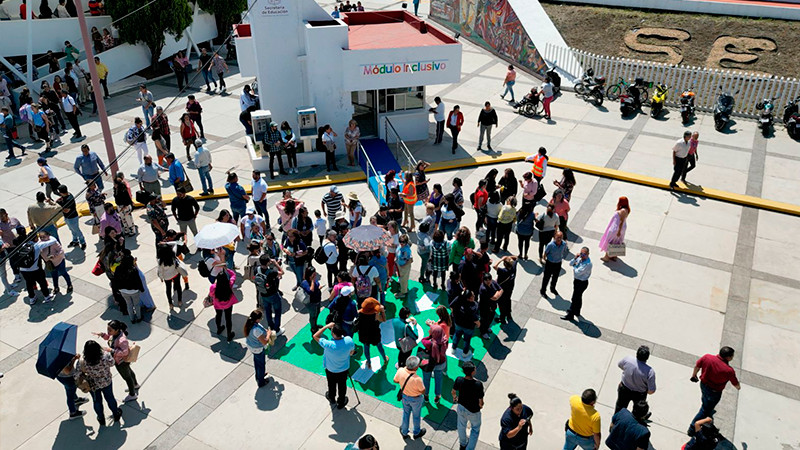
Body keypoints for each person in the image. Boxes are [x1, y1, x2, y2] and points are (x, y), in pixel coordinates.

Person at [689, 347, 741, 431]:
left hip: (703, 385)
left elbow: (697, 366)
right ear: (728, 357)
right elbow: (735, 383)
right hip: (714, 392)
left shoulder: (707, 357)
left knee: (705, 400)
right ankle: (692, 428)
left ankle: (708, 413)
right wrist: (738, 387)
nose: (732, 357)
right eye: (732, 356)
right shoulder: (729, 370)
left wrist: (694, 375)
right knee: (704, 410)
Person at [76, 340, 122, 426]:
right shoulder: (105, 356)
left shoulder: (83, 361)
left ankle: (101, 418)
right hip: (106, 382)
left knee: (97, 401)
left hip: (93, 385)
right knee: (110, 398)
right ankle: (116, 414)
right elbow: (112, 363)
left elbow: (77, 374)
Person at [94, 320, 140, 403]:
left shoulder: (122, 340)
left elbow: (125, 352)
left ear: (117, 330)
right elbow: (109, 338)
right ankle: (135, 385)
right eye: (107, 329)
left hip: (121, 362)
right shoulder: (115, 335)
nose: (108, 331)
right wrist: (102, 335)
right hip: (120, 360)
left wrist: (111, 350)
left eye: (110, 330)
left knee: (127, 377)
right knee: (129, 372)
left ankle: (132, 394)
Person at [314, 322, 356, 409]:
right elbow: (351, 353)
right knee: (342, 386)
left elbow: (315, 336)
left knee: (331, 385)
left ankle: (331, 397)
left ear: (333, 334)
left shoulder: (328, 344)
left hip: (331, 369)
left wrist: (326, 326)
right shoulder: (349, 340)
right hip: (343, 369)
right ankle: (341, 401)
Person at [614, 345, 656, 414]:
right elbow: (651, 391)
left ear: (636, 354)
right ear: (647, 358)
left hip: (624, 389)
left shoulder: (628, 359)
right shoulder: (650, 372)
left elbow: (620, 365)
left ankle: (616, 420)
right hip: (639, 395)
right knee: (638, 413)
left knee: (619, 409)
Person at [451, 361, 484, 450]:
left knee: (461, 426)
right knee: (475, 429)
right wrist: (481, 406)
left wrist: (455, 398)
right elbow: (481, 401)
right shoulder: (478, 384)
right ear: (473, 371)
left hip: (461, 407)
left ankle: (463, 444)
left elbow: (453, 392)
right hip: (473, 411)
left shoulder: (459, 380)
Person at [394, 355, 427, 439]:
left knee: (406, 414)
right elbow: (423, 391)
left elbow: (395, 380)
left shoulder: (400, 370)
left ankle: (404, 432)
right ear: (416, 367)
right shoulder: (417, 379)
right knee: (416, 416)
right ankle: (416, 432)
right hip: (416, 399)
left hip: (405, 396)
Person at [562, 246, 593, 321]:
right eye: (581, 253)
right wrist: (575, 258)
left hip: (581, 283)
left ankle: (570, 314)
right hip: (577, 281)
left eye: (584, 254)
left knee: (575, 298)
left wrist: (575, 265)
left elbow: (577, 272)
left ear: (588, 254)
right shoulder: (579, 258)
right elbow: (570, 263)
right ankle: (577, 311)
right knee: (578, 298)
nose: (582, 255)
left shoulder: (588, 264)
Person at [244, 309, 274, 387]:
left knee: (257, 362)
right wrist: (268, 334)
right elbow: (264, 341)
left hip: (252, 347)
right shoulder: (256, 330)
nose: (261, 320)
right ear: (257, 319)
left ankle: (258, 375)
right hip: (258, 349)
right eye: (261, 318)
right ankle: (261, 381)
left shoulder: (250, 324)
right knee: (261, 365)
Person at [356, 297, 388, 368]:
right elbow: (384, 320)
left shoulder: (359, 313)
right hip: (374, 334)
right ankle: (385, 359)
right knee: (379, 346)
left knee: (366, 347)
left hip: (364, 334)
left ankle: (369, 362)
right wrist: (382, 311)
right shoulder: (375, 315)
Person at [420, 323, 448, 404]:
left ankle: (426, 395)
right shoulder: (445, 341)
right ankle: (437, 396)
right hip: (441, 364)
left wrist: (430, 336)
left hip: (429, 364)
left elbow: (423, 340)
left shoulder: (429, 344)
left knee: (426, 379)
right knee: (438, 380)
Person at [38, 229, 71, 295]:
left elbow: (61, 251)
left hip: (59, 262)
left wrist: (54, 256)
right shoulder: (40, 244)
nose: (42, 238)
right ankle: (56, 287)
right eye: (41, 237)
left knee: (64, 273)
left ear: (48, 236)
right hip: (50, 264)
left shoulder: (53, 243)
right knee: (54, 276)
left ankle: (69, 285)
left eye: (44, 237)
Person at [57, 353, 89, 419]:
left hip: (62, 377)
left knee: (71, 390)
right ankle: (73, 413)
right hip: (67, 378)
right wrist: (74, 359)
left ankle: (76, 400)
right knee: (70, 395)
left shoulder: (58, 354)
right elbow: (67, 371)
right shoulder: (60, 358)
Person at [599, 197, 630, 262]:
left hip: (616, 228)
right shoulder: (626, 209)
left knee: (610, 242)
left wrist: (618, 231)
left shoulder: (623, 210)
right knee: (616, 242)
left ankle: (606, 257)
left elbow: (621, 221)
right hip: (620, 228)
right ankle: (614, 256)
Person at [211, 270, 238, 342]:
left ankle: (219, 328)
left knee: (218, 315)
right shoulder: (229, 284)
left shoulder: (213, 287)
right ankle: (229, 334)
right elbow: (233, 275)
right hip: (228, 305)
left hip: (217, 305)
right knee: (228, 319)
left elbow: (211, 294)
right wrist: (226, 269)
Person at [451, 290, 479, 358]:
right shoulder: (474, 305)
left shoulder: (458, 300)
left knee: (457, 335)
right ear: (469, 299)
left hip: (458, 323)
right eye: (472, 296)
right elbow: (475, 318)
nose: (474, 296)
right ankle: (465, 353)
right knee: (467, 339)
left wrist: (455, 315)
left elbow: (451, 306)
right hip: (468, 326)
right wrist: (479, 324)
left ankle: (453, 348)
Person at [55, 186, 85, 250]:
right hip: (67, 217)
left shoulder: (69, 199)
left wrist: (58, 207)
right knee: (72, 230)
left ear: (62, 192)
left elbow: (66, 210)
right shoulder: (67, 195)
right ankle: (75, 240)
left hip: (72, 217)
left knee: (77, 230)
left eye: (59, 192)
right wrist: (60, 200)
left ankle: (83, 242)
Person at [156, 243, 184, 312]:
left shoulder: (160, 261)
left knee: (168, 289)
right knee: (178, 287)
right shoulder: (173, 255)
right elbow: (175, 243)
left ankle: (170, 304)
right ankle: (179, 301)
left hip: (167, 277)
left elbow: (160, 271)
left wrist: (161, 278)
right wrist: (166, 243)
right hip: (175, 274)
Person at [541, 231, 567, 298]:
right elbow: (545, 253)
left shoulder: (564, 244)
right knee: (546, 277)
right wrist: (545, 259)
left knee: (555, 277)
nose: (559, 239)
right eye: (558, 237)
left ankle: (552, 288)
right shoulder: (550, 245)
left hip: (558, 263)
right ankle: (543, 290)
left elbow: (564, 251)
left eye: (560, 237)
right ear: (555, 237)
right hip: (550, 263)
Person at [477, 272, 502, 338]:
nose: (488, 281)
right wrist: (497, 293)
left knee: (490, 319)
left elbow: (501, 290)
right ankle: (483, 332)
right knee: (484, 320)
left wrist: (497, 294)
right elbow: (494, 298)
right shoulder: (483, 289)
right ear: (483, 280)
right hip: (484, 307)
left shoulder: (493, 282)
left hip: (492, 306)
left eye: (489, 279)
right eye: (486, 280)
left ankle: (487, 327)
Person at [301, 266, 322, 332]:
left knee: (317, 313)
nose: (315, 275)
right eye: (313, 274)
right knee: (313, 316)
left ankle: (315, 325)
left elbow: (316, 285)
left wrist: (318, 287)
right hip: (312, 303)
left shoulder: (314, 280)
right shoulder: (305, 283)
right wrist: (312, 280)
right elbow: (310, 291)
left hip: (317, 301)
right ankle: (313, 328)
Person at [396, 234, 413, 298]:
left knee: (404, 280)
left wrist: (404, 265)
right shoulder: (400, 246)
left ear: (406, 242)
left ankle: (403, 293)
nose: (401, 243)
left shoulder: (407, 250)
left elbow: (411, 260)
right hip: (400, 265)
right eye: (400, 241)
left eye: (403, 242)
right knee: (402, 278)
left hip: (404, 266)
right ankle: (404, 288)